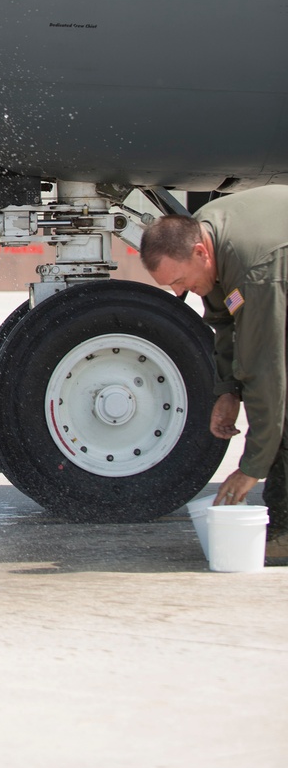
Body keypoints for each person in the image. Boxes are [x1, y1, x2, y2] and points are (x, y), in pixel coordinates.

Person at [140, 186, 288, 565]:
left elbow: (266, 377)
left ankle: (284, 533)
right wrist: (227, 392)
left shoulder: (252, 272)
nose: (178, 292)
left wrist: (251, 469)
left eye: (180, 280)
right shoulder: (206, 238)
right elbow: (225, 318)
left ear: (200, 253)